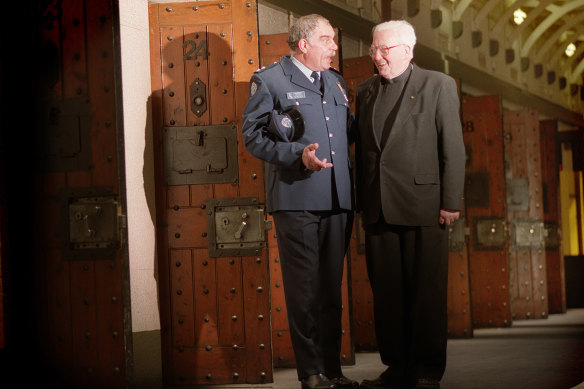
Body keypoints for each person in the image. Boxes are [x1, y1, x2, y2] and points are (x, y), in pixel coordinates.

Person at [241, 14, 357, 389]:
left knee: (330, 288)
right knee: (304, 289)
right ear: (303, 44)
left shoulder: (336, 82)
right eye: (327, 40)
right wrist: (296, 154)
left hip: (338, 198)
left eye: (334, 40)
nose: (335, 47)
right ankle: (310, 373)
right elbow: (252, 136)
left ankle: (332, 370)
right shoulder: (271, 79)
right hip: (297, 198)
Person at [352, 20, 465, 389]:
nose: (377, 56)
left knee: (426, 294)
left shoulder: (438, 85)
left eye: (385, 49)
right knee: (387, 295)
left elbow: (453, 148)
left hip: (425, 206)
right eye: (374, 49)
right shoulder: (365, 90)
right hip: (378, 207)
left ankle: (427, 370)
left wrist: (450, 201)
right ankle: (397, 367)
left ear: (408, 50)